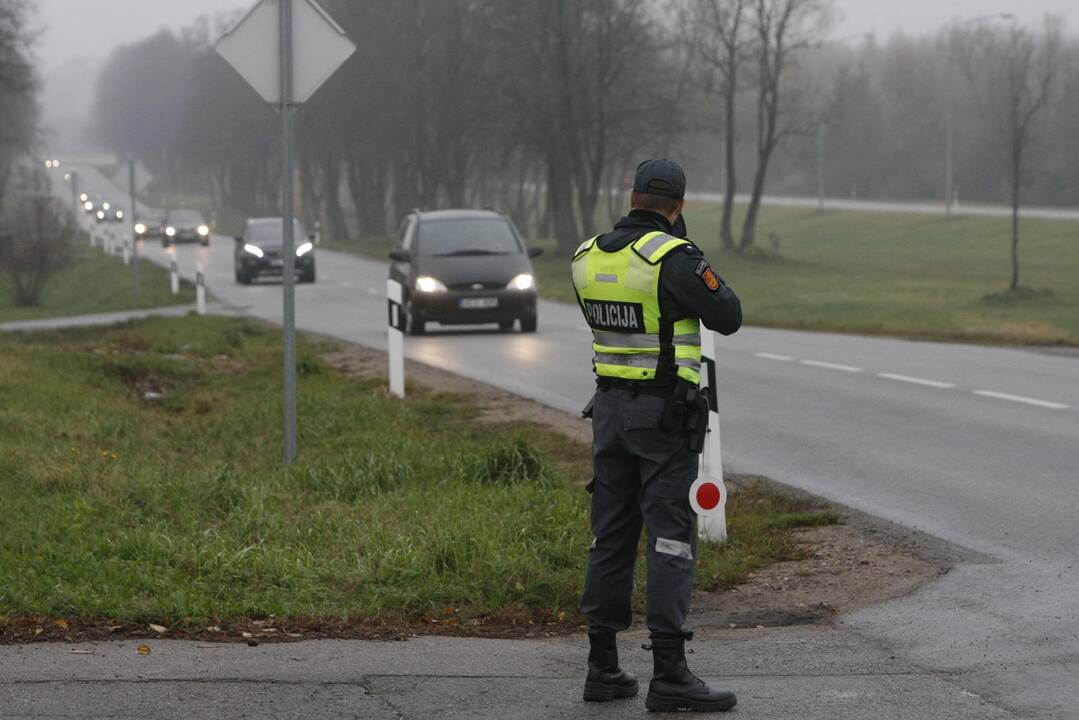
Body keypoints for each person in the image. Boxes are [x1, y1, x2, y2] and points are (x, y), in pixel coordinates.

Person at [572, 159, 742, 712]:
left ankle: (603, 669)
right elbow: (728, 314)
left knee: (611, 537)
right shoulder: (673, 258)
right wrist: (685, 249)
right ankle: (669, 674)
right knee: (670, 538)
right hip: (663, 420)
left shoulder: (588, 255)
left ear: (633, 194)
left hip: (609, 415)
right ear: (679, 206)